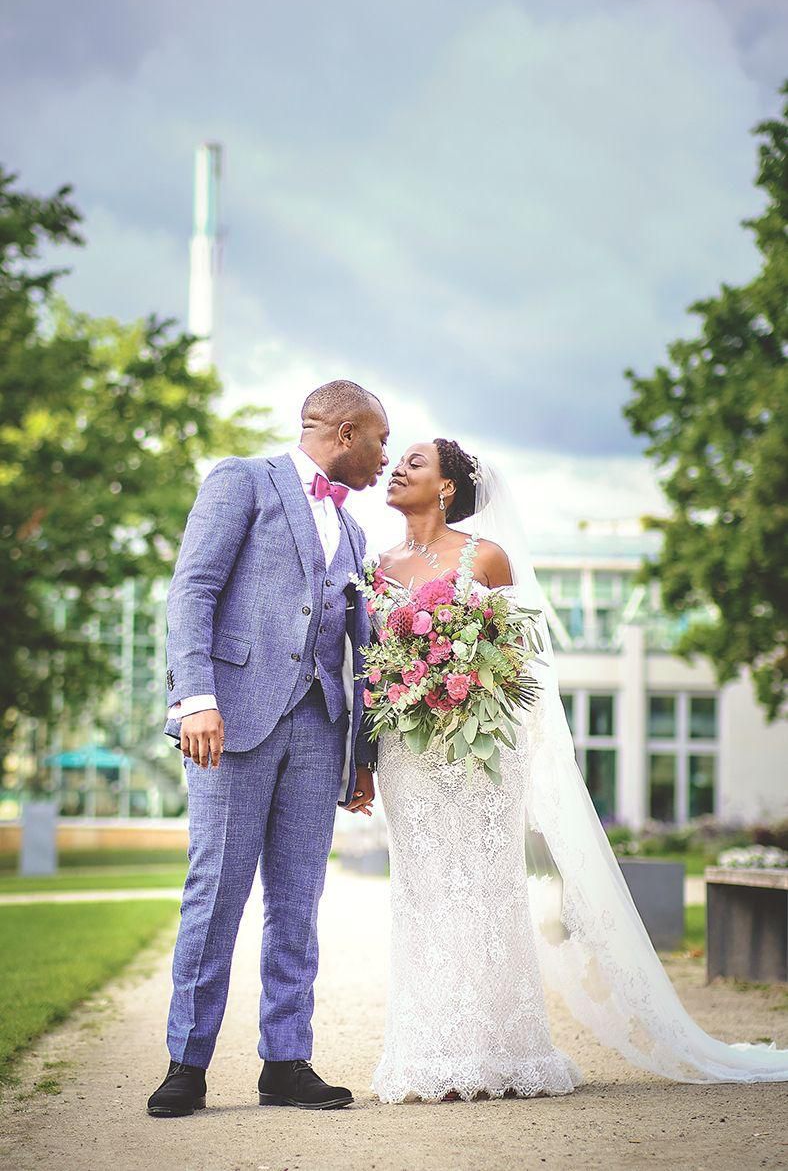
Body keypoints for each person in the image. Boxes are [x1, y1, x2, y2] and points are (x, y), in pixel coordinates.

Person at [369, 437, 788, 1103]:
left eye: (414, 462)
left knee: (486, 886)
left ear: (447, 486)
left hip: (482, 749)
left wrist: (467, 676)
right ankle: (425, 1049)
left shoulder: (488, 557)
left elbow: (519, 657)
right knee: (420, 890)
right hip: (409, 754)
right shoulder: (378, 566)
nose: (396, 469)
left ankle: (502, 1047)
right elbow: (370, 665)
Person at [146, 380, 387, 1117]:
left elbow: (363, 650)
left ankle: (286, 1059)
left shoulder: (352, 534)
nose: (384, 456)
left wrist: (362, 756)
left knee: (297, 900)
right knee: (216, 889)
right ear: (344, 432)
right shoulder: (241, 480)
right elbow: (192, 591)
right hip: (231, 721)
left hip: (318, 727)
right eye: (380, 439)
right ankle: (187, 1060)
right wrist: (197, 698)